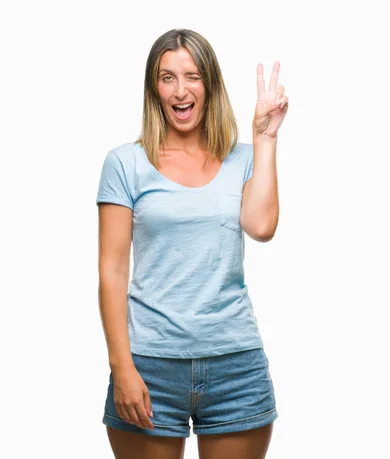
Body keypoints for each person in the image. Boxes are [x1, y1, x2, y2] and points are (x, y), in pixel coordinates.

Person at [96, 28, 288, 459]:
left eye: (192, 76)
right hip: (149, 365)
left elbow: (261, 226)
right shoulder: (125, 163)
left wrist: (266, 138)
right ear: (155, 88)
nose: (180, 90)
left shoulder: (241, 158)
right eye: (167, 78)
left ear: (210, 85)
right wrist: (121, 366)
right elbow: (111, 271)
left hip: (235, 365)